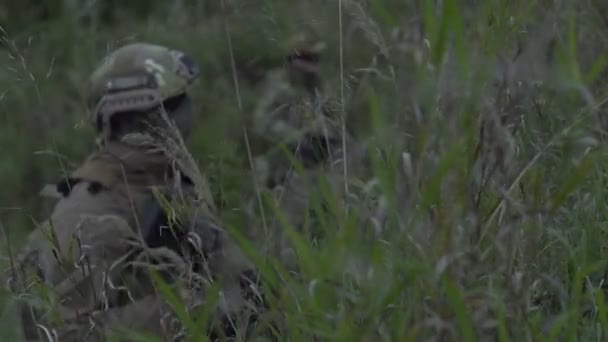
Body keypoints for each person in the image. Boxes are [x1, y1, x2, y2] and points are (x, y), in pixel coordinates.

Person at [11, 42, 263, 341]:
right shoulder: (88, 211)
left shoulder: (164, 183)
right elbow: (68, 334)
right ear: (148, 117)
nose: (188, 112)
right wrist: (192, 312)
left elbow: (242, 280)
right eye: (177, 102)